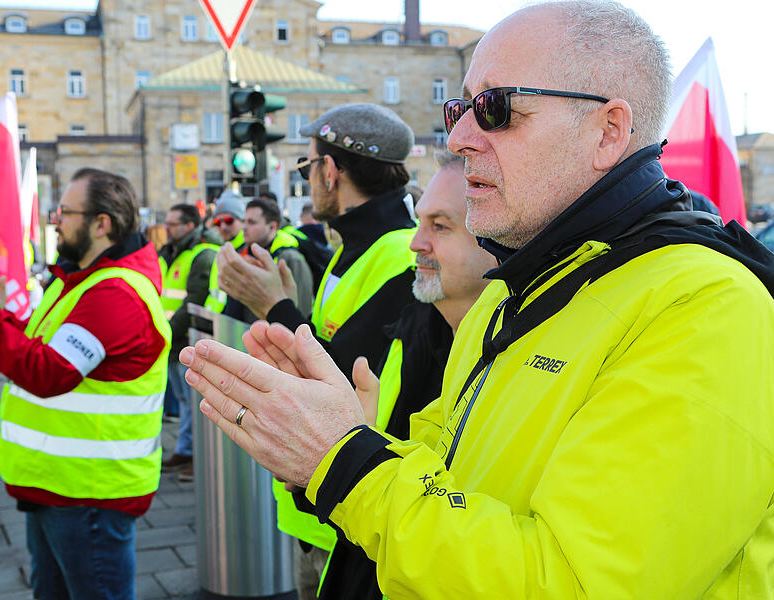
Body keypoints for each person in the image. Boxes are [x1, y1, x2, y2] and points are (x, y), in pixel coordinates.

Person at [181, 2, 774, 599]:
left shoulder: (704, 307)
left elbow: (575, 583)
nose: (460, 137)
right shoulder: (513, 292)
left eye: (496, 109)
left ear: (607, 132)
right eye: (459, 107)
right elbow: (448, 473)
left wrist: (344, 462)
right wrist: (343, 438)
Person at [214, 103, 419, 599]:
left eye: (307, 167)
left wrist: (273, 304)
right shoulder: (356, 247)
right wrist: (285, 305)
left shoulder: (399, 252)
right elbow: (335, 340)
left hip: (348, 503)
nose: (307, 179)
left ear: (331, 170)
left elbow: (348, 372)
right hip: (326, 495)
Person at [0, 168, 170, 599]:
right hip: (61, 485)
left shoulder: (115, 295)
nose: (54, 220)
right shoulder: (81, 282)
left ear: (102, 224)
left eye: (64, 211)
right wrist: (1, 313)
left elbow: (46, 372)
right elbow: (39, 344)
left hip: (88, 496)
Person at [316, 149, 496, 599]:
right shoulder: (414, 323)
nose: (415, 243)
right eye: (420, 223)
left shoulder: (515, 356)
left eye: (440, 226)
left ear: (500, 237)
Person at [159, 203, 221, 482]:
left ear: (188, 226)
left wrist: (169, 332)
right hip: (170, 340)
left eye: (172, 224)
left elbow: (194, 300)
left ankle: (200, 457)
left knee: (195, 402)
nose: (167, 229)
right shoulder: (169, 251)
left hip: (185, 339)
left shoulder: (202, 254)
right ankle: (186, 450)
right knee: (185, 402)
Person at [221, 198, 314, 323]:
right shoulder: (244, 253)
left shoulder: (290, 259)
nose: (244, 227)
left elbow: (300, 311)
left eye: (252, 222)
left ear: (272, 226)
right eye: (244, 221)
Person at [205, 191, 246, 314]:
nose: (223, 226)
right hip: (220, 326)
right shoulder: (221, 252)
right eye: (217, 222)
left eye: (229, 220)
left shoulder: (250, 251)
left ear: (242, 220)